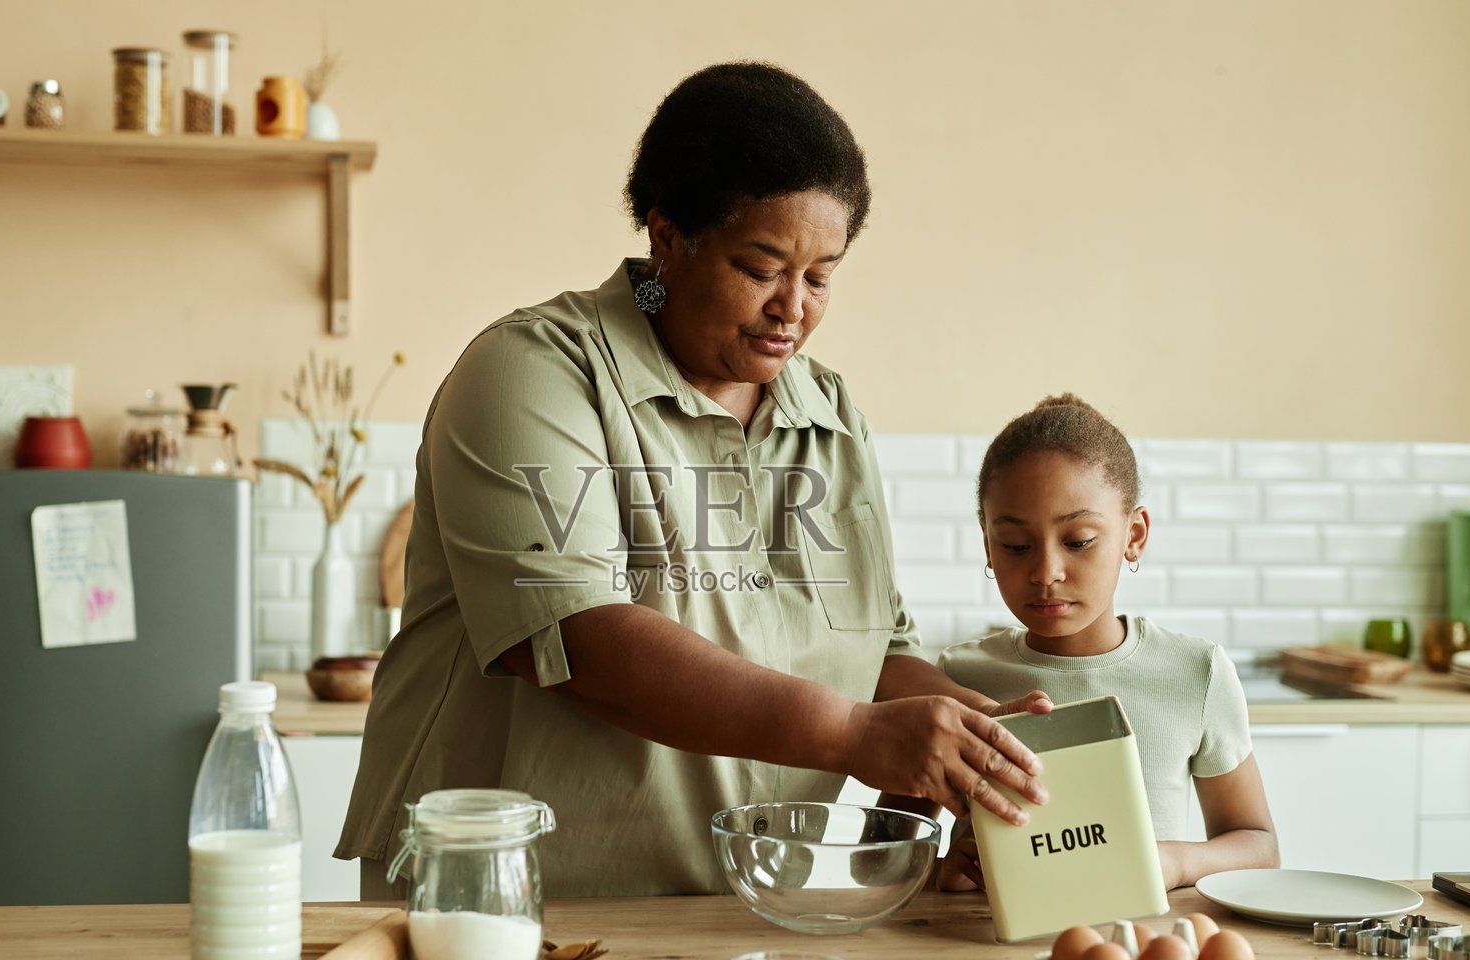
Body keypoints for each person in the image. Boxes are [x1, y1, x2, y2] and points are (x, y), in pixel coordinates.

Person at [336, 61, 1053, 901]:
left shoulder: (827, 413)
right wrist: (858, 734)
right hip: (505, 903)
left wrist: (982, 746)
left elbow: (873, 650)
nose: (795, 307)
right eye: (762, 267)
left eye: (821, 276)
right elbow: (580, 642)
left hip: (740, 908)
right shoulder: (533, 373)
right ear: (668, 238)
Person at [882, 394, 1279, 892]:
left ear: (1134, 535)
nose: (1046, 572)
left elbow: (1260, 847)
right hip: (979, 957)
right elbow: (875, 860)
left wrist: (1174, 862)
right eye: (1016, 546)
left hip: (1134, 957)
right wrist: (940, 870)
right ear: (987, 544)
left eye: (1079, 541)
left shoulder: (1196, 672)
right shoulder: (957, 679)